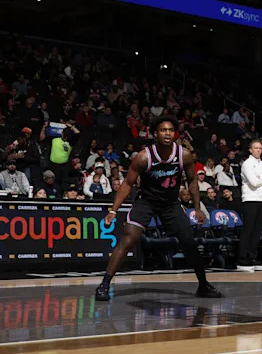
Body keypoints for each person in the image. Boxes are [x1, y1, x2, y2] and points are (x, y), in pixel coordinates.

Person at [95, 116, 221, 300]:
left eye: (170, 130)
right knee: (129, 238)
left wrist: (197, 207)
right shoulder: (144, 157)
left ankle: (203, 285)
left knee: (189, 241)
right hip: (146, 201)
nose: (167, 133)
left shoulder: (183, 155)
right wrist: (113, 210)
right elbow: (128, 183)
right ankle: (104, 285)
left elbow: (193, 180)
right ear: (156, 134)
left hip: (170, 204)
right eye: (163, 130)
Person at [238, 139, 262, 272]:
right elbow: (253, 182)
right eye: (255, 148)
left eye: (260, 148)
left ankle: (252, 257)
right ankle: (243, 259)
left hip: (261, 199)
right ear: (250, 150)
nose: (258, 150)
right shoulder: (247, 164)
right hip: (249, 199)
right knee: (248, 229)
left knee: (257, 230)